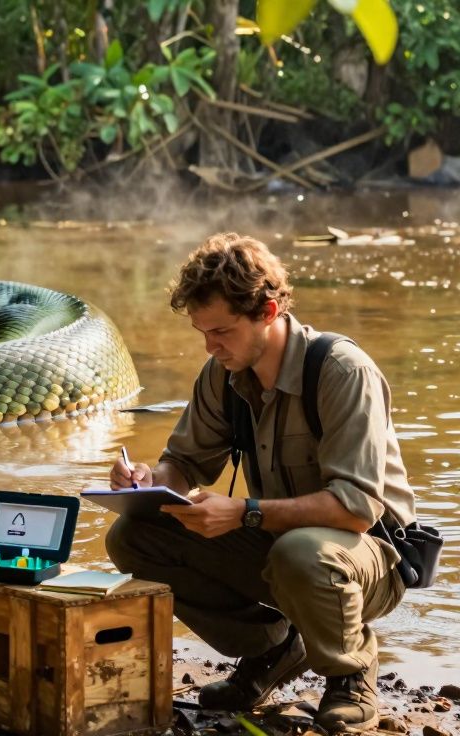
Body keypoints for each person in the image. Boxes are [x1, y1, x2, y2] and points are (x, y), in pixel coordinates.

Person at [105, 233, 415, 733]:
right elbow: (183, 463)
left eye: (222, 331)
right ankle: (273, 648)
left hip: (373, 557)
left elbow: (357, 509)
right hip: (283, 543)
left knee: (302, 553)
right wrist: (147, 479)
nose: (210, 346)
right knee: (134, 536)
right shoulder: (222, 373)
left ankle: (351, 675)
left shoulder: (342, 371)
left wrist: (245, 511)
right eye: (202, 332)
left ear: (268, 311)